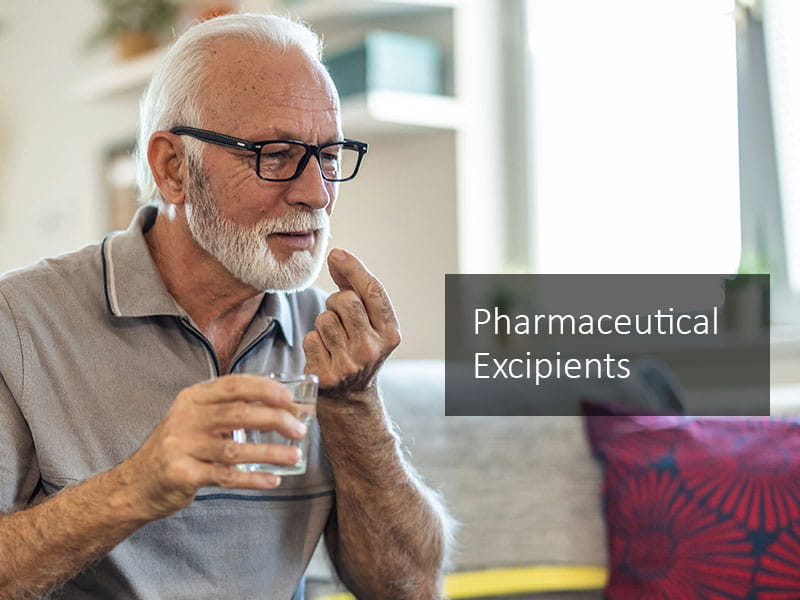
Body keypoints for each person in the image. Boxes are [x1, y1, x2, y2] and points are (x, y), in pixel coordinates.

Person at [0, 13, 451, 600]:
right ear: (172, 168)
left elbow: (411, 588)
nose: (317, 193)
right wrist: (136, 488)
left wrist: (355, 403)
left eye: (330, 155)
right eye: (276, 153)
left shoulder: (330, 336)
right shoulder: (21, 321)